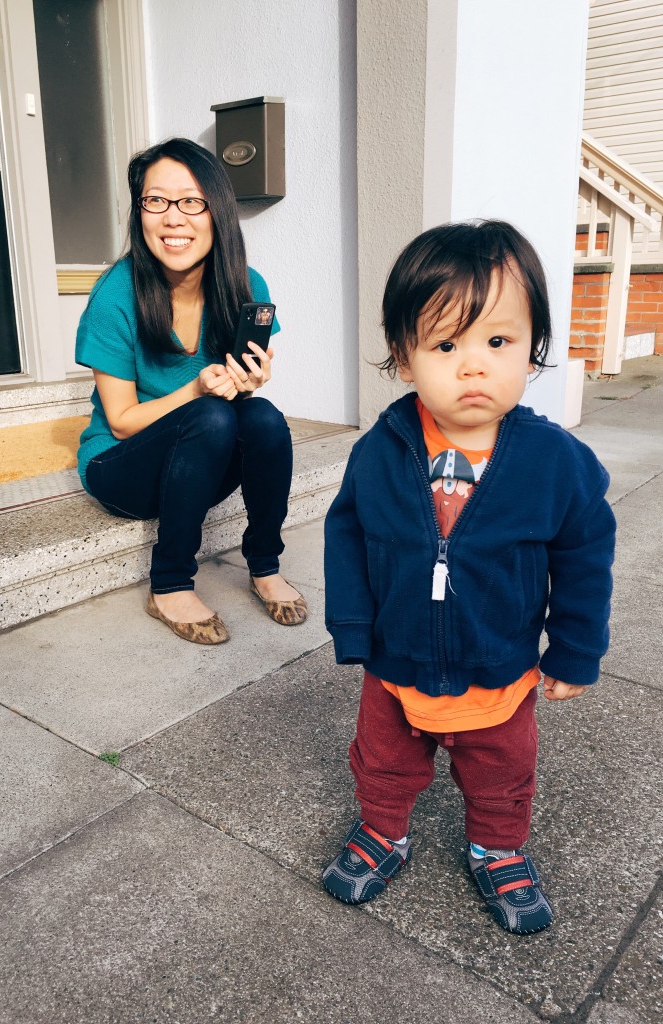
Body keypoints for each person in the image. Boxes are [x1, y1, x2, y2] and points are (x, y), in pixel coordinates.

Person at [321, 220, 615, 934]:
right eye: (446, 345)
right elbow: (347, 533)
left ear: (533, 347)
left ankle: (498, 845)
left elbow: (584, 556)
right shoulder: (381, 452)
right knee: (384, 760)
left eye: (498, 342)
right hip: (396, 663)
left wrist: (575, 650)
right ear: (404, 355)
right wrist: (354, 627)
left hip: (500, 667)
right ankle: (385, 829)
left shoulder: (554, 462)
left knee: (501, 770)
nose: (473, 366)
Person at [75, 138, 307, 645]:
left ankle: (265, 563)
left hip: (195, 458)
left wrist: (247, 382)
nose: (173, 218)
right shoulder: (116, 293)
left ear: (217, 212)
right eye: (156, 201)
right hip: (119, 467)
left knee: (263, 416)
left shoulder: (246, 285)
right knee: (211, 416)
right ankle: (170, 581)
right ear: (139, 215)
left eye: (191, 201)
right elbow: (120, 420)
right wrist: (199, 389)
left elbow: (239, 400)